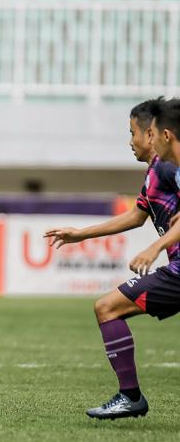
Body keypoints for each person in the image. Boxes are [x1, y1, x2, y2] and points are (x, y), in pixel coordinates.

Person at [44, 98, 180, 420]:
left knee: (107, 307)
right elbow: (136, 216)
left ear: (153, 134)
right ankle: (129, 396)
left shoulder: (169, 167)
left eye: (132, 132)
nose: (129, 141)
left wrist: (155, 247)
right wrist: (81, 234)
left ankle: (130, 396)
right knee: (107, 307)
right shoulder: (155, 172)